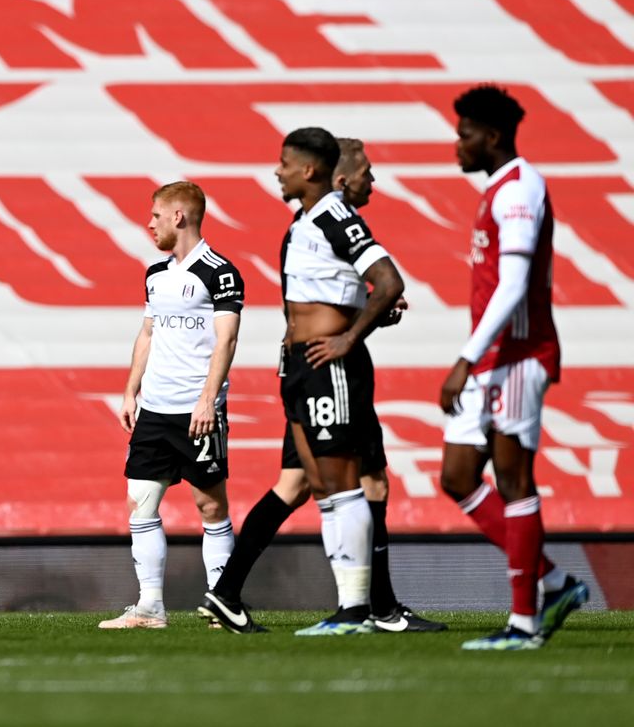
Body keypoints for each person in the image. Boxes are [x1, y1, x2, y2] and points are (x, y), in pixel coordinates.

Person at [198, 139, 445, 634]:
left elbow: (388, 280)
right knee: (324, 484)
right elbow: (334, 291)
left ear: (311, 169)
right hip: (304, 368)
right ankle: (366, 607)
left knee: (344, 483)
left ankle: (362, 609)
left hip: (327, 367)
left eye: (284, 164)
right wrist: (354, 323)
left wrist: (350, 335)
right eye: (368, 172)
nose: (276, 172)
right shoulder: (308, 220)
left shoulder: (333, 216)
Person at [439, 85, 589, 651]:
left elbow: (515, 284)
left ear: (492, 137)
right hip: (493, 358)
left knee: (513, 480)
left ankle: (525, 623)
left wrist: (464, 357)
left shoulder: (520, 188)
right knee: (457, 475)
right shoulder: (498, 189)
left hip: (520, 355)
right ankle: (552, 582)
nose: (458, 145)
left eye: (465, 134)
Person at [97, 180, 244, 630]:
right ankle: (150, 607)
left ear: (178, 216)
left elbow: (228, 338)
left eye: (155, 216)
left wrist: (207, 400)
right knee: (140, 502)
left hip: (197, 411)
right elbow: (148, 333)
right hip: (155, 411)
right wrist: (129, 391)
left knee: (211, 507)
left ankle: (223, 606)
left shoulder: (219, 271)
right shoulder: (155, 274)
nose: (150, 224)